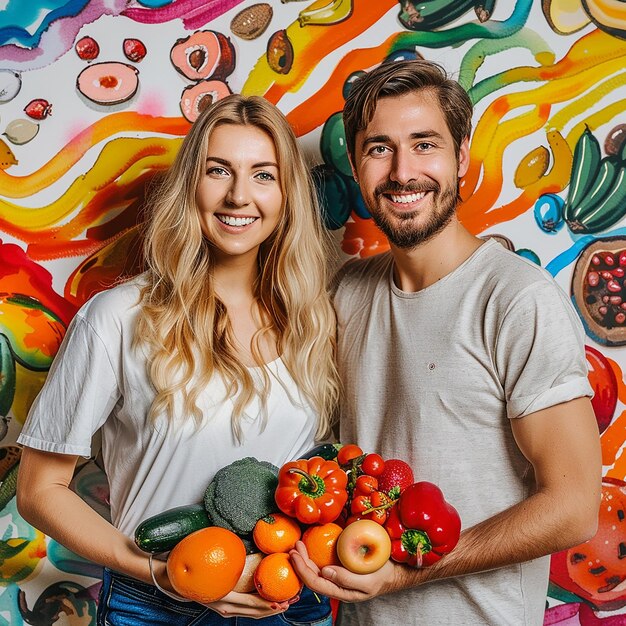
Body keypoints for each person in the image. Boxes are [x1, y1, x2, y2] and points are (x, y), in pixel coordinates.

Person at [290, 59, 602, 625]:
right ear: (358, 165)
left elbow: (574, 508)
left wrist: (409, 569)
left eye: (424, 144)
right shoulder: (345, 295)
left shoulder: (516, 300)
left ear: (460, 156)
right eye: (379, 148)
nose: (403, 172)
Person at [16, 94, 340, 625]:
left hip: (287, 600)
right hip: (156, 603)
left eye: (264, 175)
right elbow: (38, 490)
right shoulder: (118, 318)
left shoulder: (314, 321)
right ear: (191, 183)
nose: (239, 195)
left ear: (287, 196)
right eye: (219, 171)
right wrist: (159, 571)